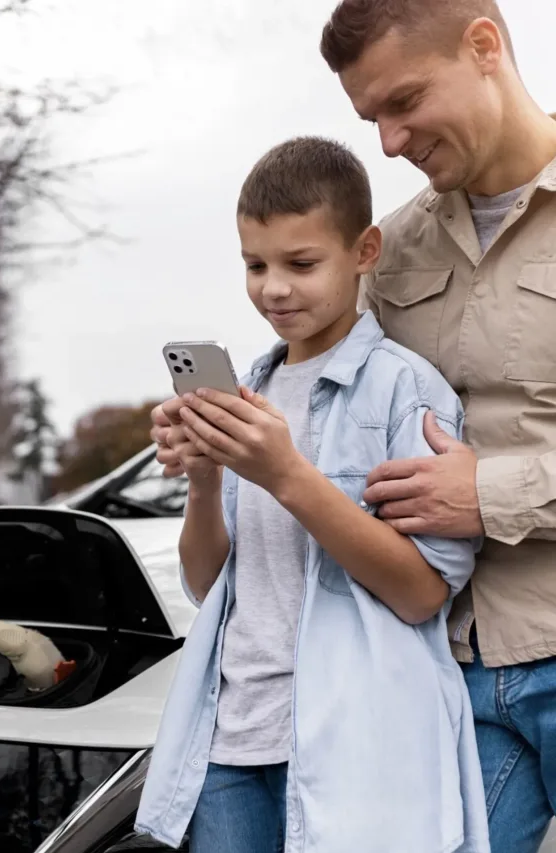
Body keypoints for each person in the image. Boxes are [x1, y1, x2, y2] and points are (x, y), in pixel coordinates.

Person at [136, 137, 489, 853]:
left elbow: (423, 592)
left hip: (351, 752)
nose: (274, 288)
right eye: (254, 264)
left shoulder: (405, 391)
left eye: (301, 263)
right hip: (229, 743)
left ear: (365, 251)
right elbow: (210, 586)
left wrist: (288, 475)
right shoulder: (249, 396)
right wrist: (204, 479)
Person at [319, 2, 556, 852]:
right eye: (371, 117)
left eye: (403, 102)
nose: (389, 142)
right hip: (446, 669)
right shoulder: (398, 250)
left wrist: (485, 492)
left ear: (484, 46)